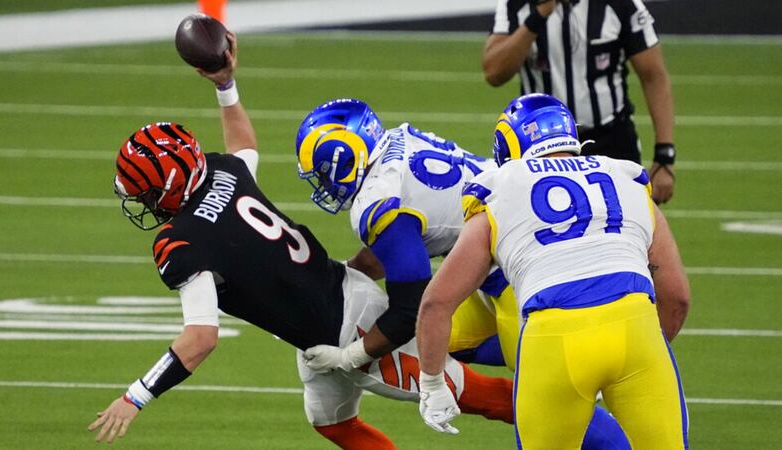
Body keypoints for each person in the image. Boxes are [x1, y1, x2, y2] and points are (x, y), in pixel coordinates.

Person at [86, 33, 516, 448]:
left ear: (165, 192)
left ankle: (552, 406)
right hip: (328, 309)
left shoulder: (180, 243)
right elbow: (244, 145)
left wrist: (135, 396)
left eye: (144, 194)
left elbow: (201, 339)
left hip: (348, 329)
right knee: (334, 424)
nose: (142, 203)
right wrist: (225, 86)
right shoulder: (223, 172)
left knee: (486, 397)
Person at [294, 99, 631, 449]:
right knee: (438, 340)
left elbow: (409, 309)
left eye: (323, 172)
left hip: (524, 273)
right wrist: (342, 273)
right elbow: (397, 247)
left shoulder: (378, 198)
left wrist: (351, 356)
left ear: (347, 157)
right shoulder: (394, 145)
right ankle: (565, 355)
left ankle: (582, 375)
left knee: (548, 403)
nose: (322, 184)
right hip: (499, 261)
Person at [416, 93, 690, 448]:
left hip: (555, 338)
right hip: (636, 328)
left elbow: (437, 303)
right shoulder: (627, 178)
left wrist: (432, 383)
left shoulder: (499, 189)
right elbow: (677, 298)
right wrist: (644, 350)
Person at [483, 0, 677, 204]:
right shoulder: (516, 4)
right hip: (541, 146)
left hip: (609, 140)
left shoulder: (622, 4)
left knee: (627, 219)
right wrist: (537, 17)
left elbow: (653, 76)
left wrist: (665, 155)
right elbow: (494, 72)